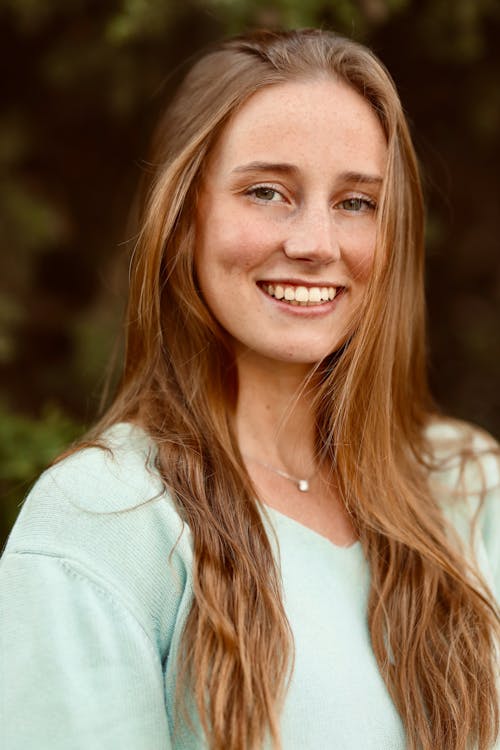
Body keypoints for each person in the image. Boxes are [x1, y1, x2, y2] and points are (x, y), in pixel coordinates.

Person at [0, 28, 498, 750]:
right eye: (267, 192)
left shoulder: (468, 486)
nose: (315, 242)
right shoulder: (105, 520)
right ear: (183, 218)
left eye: (356, 202)